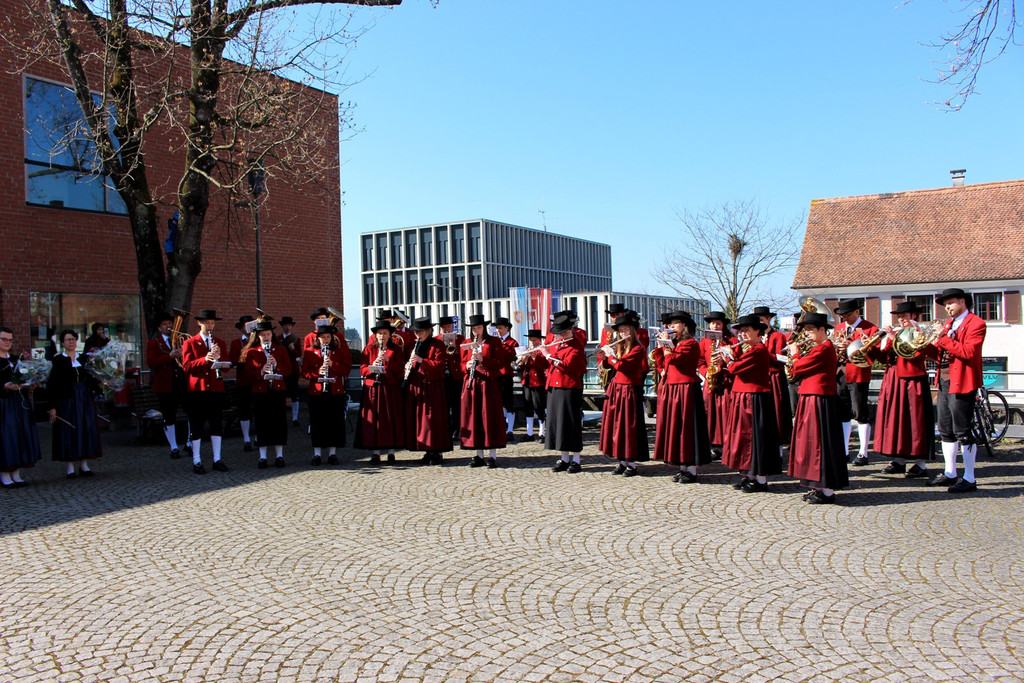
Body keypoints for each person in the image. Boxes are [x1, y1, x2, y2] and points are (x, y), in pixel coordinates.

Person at [928, 288, 987, 493]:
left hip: (962, 381)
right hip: (944, 380)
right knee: (945, 428)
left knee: (963, 429)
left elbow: (968, 352)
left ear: (962, 301)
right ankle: (950, 472)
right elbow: (939, 353)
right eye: (945, 305)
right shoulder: (949, 324)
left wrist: (943, 337)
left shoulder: (976, 323)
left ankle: (970, 478)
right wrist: (922, 346)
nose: (947, 308)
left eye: (950, 304)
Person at [787, 312, 849, 504]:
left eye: (810, 330)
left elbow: (798, 367)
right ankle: (818, 486)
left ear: (822, 330)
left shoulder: (824, 349)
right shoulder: (818, 348)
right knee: (812, 444)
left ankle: (827, 490)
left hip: (820, 400)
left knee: (821, 444)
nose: (807, 334)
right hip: (811, 398)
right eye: (805, 330)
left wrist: (795, 352)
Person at [873, 302, 936, 479]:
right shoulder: (899, 333)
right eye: (899, 317)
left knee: (914, 422)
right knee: (896, 420)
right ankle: (898, 459)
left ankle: (920, 463)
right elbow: (885, 358)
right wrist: (873, 345)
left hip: (912, 381)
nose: (901, 319)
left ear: (914, 316)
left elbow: (914, 355)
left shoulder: (919, 333)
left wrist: (893, 338)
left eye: (904, 316)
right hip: (894, 380)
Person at [719, 314, 781, 493]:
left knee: (755, 439)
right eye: (741, 331)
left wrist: (728, 357)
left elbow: (736, 368)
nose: (743, 335)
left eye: (747, 331)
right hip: (744, 396)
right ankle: (749, 475)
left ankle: (760, 479)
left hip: (754, 398)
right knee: (745, 439)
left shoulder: (759, 349)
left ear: (757, 331)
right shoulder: (750, 349)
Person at [652, 310, 711, 482]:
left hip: (685, 389)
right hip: (673, 388)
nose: (671, 327)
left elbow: (673, 359)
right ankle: (683, 467)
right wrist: (659, 345)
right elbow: (660, 363)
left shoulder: (691, 343)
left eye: (675, 323)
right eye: (670, 324)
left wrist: (666, 345)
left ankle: (691, 469)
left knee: (687, 428)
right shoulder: (674, 344)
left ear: (684, 325)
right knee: (676, 428)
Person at [180, 309, 231, 474]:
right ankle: (197, 460)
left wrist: (220, 360)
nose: (210, 326)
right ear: (199, 323)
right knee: (197, 426)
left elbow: (227, 368)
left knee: (217, 425)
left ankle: (217, 459)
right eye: (207, 323)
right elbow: (186, 367)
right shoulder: (190, 343)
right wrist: (205, 359)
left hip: (215, 389)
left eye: (212, 323)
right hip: (197, 391)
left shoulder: (220, 343)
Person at [599, 315, 650, 476]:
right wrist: (605, 355)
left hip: (628, 390)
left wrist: (611, 357)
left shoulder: (637, 348)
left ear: (632, 331)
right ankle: (621, 460)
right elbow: (610, 366)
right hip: (616, 389)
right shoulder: (620, 347)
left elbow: (623, 366)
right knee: (616, 425)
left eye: (626, 330)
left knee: (629, 425)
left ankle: (632, 463)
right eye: (621, 331)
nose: (623, 333)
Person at [47, 329, 103, 477]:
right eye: (68, 339)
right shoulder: (58, 360)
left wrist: (102, 382)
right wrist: (52, 407)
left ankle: (84, 465)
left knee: (86, 427)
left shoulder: (84, 358)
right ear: (62, 343)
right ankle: (70, 466)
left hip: (84, 397)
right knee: (69, 430)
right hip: (67, 400)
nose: (71, 342)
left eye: (73, 339)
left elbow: (92, 378)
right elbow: (52, 385)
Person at [831, 299, 878, 466]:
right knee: (843, 413)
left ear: (857, 312)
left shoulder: (870, 328)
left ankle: (863, 452)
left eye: (848, 314)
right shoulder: (839, 328)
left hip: (858, 374)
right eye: (842, 315)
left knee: (860, 414)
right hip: (840, 373)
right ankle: (844, 450)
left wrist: (849, 345)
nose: (845, 318)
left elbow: (873, 353)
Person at [242, 319, 293, 468]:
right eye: (263, 334)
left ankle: (279, 456)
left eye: (268, 334)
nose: (266, 337)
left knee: (279, 423)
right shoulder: (252, 351)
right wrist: (260, 371)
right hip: (260, 392)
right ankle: (262, 457)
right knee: (262, 423)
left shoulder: (280, 349)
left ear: (272, 334)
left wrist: (276, 365)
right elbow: (247, 375)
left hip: (277, 391)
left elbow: (289, 370)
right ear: (258, 336)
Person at [460, 314, 507, 468]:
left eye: (478, 328)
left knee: (489, 416)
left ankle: (492, 455)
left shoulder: (493, 342)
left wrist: (483, 359)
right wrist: (466, 366)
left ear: (484, 328)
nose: (476, 331)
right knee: (474, 418)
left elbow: (500, 363)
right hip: (472, 383)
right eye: (473, 328)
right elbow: (461, 364)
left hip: (488, 383)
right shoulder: (467, 343)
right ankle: (478, 454)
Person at [301, 324, 352, 465]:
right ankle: (317, 454)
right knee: (317, 423)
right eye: (322, 337)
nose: (325, 339)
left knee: (334, 422)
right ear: (318, 338)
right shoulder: (310, 351)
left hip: (335, 391)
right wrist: (317, 373)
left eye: (328, 337)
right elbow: (304, 372)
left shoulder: (338, 352)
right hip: (316, 392)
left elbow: (346, 369)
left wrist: (332, 365)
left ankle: (332, 454)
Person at [403, 317, 452, 465]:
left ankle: (436, 451)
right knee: (420, 420)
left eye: (420, 332)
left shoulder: (437, 345)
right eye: (416, 332)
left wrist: (421, 361)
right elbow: (411, 363)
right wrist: (408, 367)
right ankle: (425, 449)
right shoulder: (413, 345)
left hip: (433, 385)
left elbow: (440, 365)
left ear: (429, 331)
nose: (417, 335)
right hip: (417, 385)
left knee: (433, 419)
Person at [356, 319, 406, 464]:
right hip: (373, 388)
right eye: (379, 334)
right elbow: (362, 369)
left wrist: (388, 361)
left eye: (385, 333)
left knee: (390, 419)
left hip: (390, 388)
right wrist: (373, 366)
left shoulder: (396, 349)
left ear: (390, 335)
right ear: (375, 335)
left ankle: (391, 452)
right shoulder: (369, 349)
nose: (382, 336)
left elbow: (400, 371)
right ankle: (375, 452)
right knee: (375, 419)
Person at [545, 312, 588, 473]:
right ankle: (564, 458)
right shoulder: (558, 343)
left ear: (571, 330)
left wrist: (548, 355)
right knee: (559, 424)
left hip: (569, 387)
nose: (563, 335)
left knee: (571, 423)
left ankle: (576, 460)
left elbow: (566, 366)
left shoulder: (576, 345)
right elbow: (548, 364)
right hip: (555, 386)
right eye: (560, 333)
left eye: (565, 332)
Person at [0, 327, 42, 487]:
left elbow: (24, 378)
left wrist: (30, 385)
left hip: (19, 402)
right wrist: (4, 386)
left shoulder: (16, 359)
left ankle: (16, 473)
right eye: (4, 339)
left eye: (10, 340)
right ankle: (4, 474)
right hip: (4, 403)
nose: (7, 343)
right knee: (7, 437)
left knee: (20, 435)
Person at [145, 312, 187, 458]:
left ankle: (189, 443)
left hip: (181, 382)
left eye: (170, 323)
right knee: (169, 415)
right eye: (165, 324)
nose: (169, 326)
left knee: (190, 411)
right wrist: (169, 356)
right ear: (159, 328)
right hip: (165, 385)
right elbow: (151, 362)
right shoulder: (154, 343)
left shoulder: (180, 341)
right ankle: (174, 446)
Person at [753, 305, 793, 450]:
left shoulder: (778, 336)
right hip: (759, 377)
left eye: (762, 320)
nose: (760, 323)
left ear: (769, 319)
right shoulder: (755, 336)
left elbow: (782, 359)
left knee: (777, 412)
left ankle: (779, 448)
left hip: (774, 376)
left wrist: (761, 352)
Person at [697, 311, 734, 459]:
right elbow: (699, 360)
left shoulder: (731, 339)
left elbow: (736, 358)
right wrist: (706, 372)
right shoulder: (705, 341)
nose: (715, 325)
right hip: (710, 381)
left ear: (723, 325)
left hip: (726, 381)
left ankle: (727, 444)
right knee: (710, 413)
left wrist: (725, 362)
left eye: (718, 323)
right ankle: (714, 445)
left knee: (726, 413)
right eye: (712, 323)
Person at [229, 315, 256, 452]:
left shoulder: (259, 341)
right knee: (244, 411)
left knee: (258, 410)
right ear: (241, 328)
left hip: (257, 381)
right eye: (246, 325)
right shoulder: (236, 343)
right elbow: (232, 361)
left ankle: (258, 437)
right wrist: (242, 359)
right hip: (243, 381)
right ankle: (246, 438)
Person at [436, 315, 464, 441]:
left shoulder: (460, 339)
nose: (446, 329)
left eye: (448, 326)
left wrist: (455, 348)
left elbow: (464, 357)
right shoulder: (436, 340)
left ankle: (457, 429)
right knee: (444, 405)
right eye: (444, 327)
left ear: (452, 326)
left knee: (457, 404)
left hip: (456, 376)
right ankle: (446, 429)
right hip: (442, 377)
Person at [518, 329, 548, 442]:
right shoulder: (528, 350)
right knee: (528, 407)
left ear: (539, 340)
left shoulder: (542, 350)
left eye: (534, 340)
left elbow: (545, 364)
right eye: (530, 340)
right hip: (527, 381)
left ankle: (542, 432)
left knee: (539, 407)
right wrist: (523, 360)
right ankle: (529, 432)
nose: (532, 343)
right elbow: (520, 367)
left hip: (538, 382)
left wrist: (535, 357)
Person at [492, 316, 520, 441]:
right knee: (497, 401)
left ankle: (510, 429)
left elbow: (508, 357)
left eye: (501, 328)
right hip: (495, 374)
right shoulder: (494, 341)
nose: (498, 330)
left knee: (508, 401)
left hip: (505, 374)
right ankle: (500, 426)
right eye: (497, 328)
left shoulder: (512, 342)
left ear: (507, 328)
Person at [279, 316, 303, 427]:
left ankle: (295, 417)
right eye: (286, 325)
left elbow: (299, 353)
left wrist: (293, 349)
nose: (287, 327)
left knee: (294, 394)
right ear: (282, 326)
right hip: (282, 370)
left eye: (289, 325)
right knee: (281, 394)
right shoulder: (278, 339)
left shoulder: (296, 339)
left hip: (293, 370)